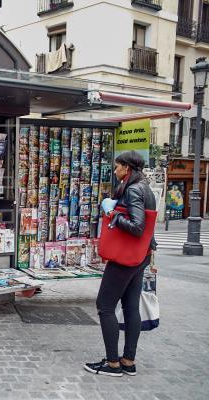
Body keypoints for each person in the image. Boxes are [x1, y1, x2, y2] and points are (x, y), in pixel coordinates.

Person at [85, 150, 157, 377]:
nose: (115, 171)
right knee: (130, 306)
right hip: (140, 256)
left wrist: (113, 214)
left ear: (127, 167)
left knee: (104, 305)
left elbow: (137, 226)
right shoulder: (145, 188)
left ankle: (113, 363)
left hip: (126, 256)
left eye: (117, 167)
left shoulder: (134, 189)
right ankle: (128, 361)